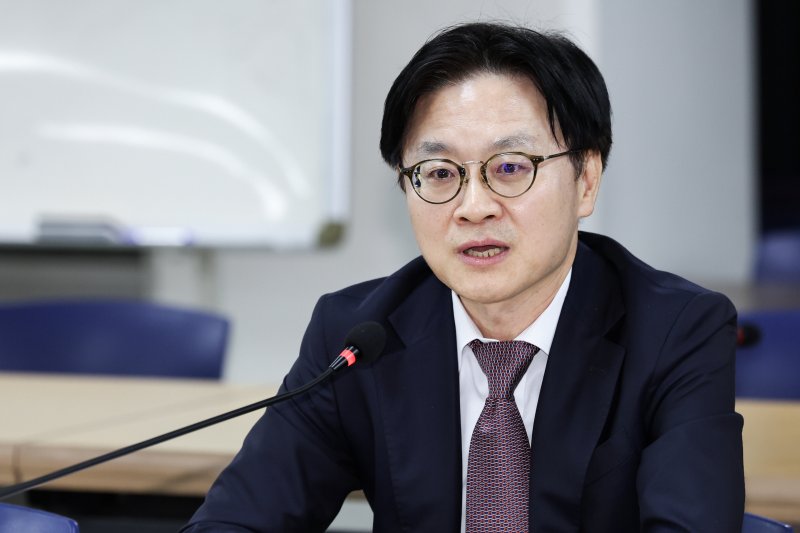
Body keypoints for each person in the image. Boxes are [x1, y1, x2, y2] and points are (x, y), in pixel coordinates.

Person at [183, 21, 744, 532]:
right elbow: (237, 520)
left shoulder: (675, 332)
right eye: (439, 173)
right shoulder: (357, 335)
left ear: (587, 180)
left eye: (510, 167)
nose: (473, 207)